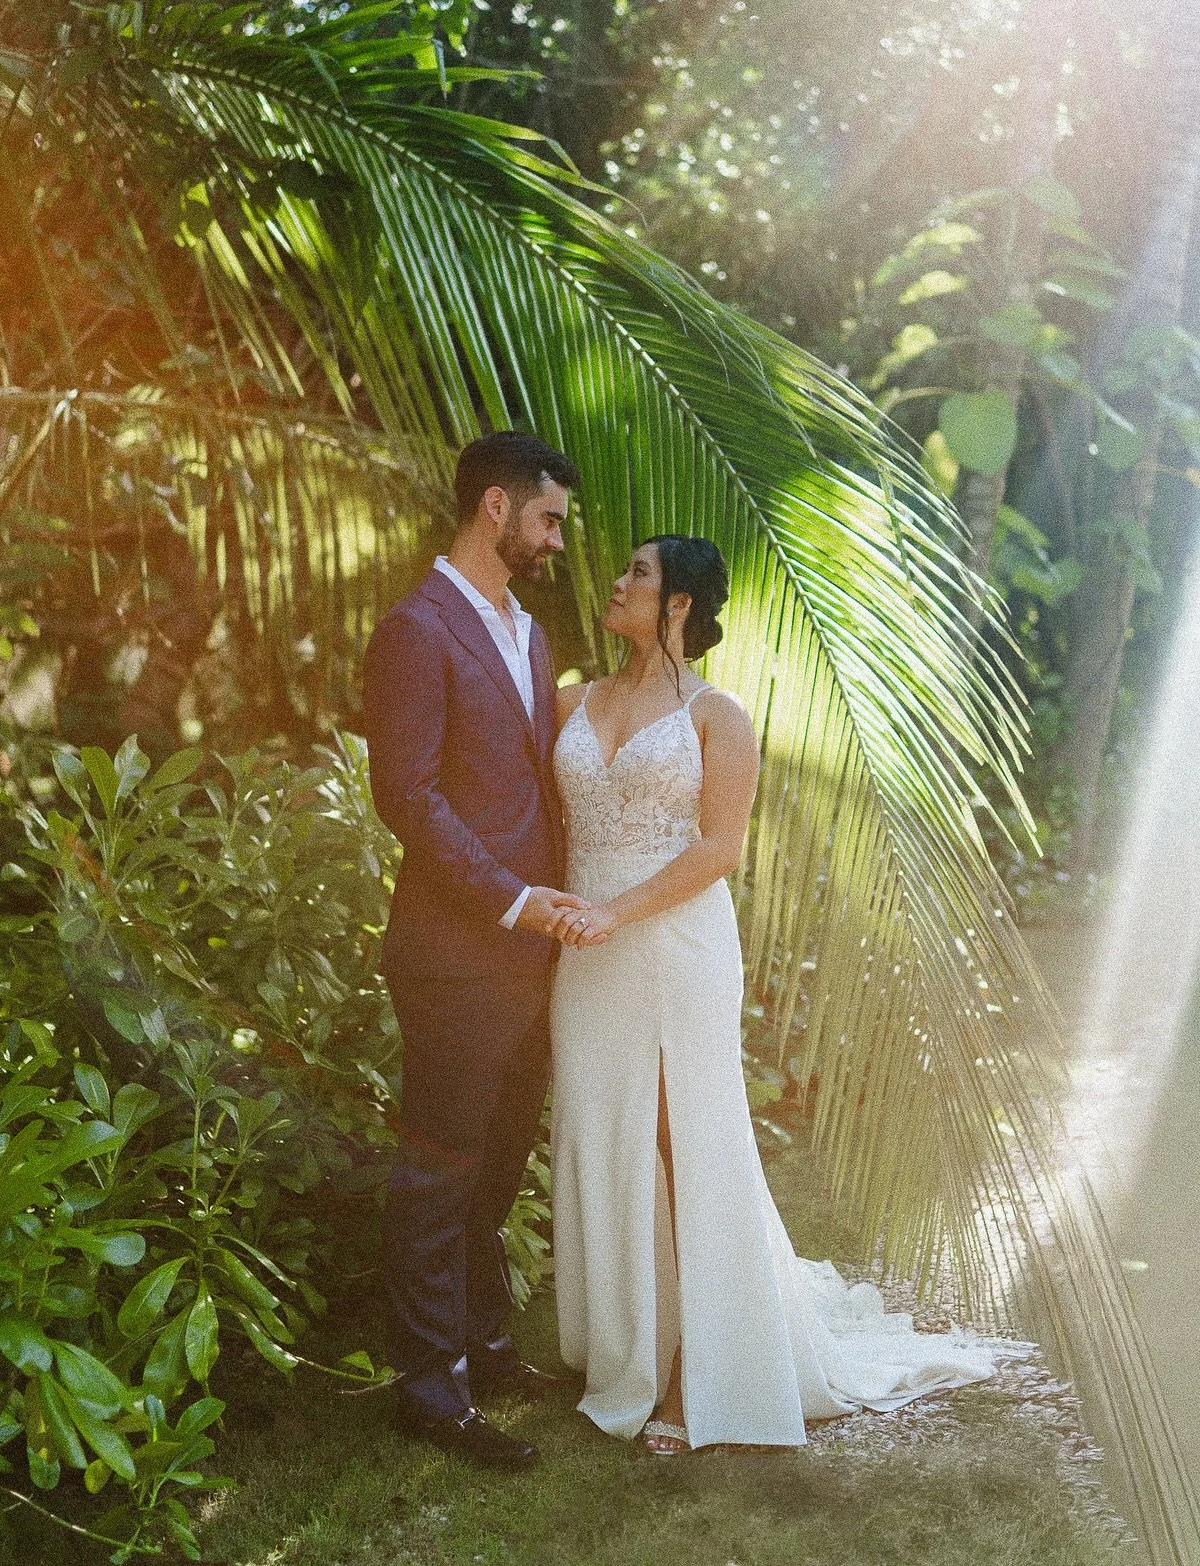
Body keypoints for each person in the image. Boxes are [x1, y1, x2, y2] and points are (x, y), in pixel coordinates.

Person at [548, 535, 1021, 1454]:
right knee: (604, 1127)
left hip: (674, 943)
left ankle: (697, 1375)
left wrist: (615, 912)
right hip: (586, 954)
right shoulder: (573, 699)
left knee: (686, 1134)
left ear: (679, 604)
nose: (617, 582)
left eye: (638, 573)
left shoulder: (719, 717)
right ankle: (627, 1344)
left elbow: (720, 849)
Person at [363, 431, 586, 1472]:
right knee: (437, 1174)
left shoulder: (529, 636)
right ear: (494, 507)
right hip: (456, 952)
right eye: (548, 519)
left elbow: (536, 780)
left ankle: (487, 1349)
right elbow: (407, 795)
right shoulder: (415, 629)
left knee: (496, 1167)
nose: (557, 541)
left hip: (534, 955)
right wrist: (508, 900)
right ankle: (428, 1389)